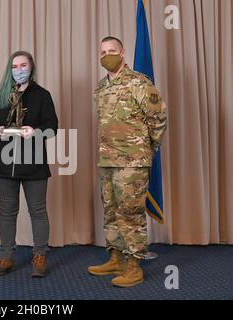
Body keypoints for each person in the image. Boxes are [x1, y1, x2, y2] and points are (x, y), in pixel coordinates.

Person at [88, 37, 167, 287]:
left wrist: (146, 148)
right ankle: (116, 257)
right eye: (102, 52)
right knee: (111, 210)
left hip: (133, 161)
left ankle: (134, 266)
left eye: (111, 51)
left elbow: (158, 118)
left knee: (130, 214)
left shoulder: (139, 82)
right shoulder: (100, 88)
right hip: (107, 159)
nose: (106, 55)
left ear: (123, 53)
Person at [0, 51, 58, 277]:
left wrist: (34, 131)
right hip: (5, 164)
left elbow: (52, 127)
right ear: (10, 69)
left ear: (31, 67)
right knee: (7, 212)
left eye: (23, 65)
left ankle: (40, 257)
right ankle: (6, 257)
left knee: (37, 211)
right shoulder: (0, 94)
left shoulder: (43, 95)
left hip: (34, 162)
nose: (19, 70)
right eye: (14, 66)